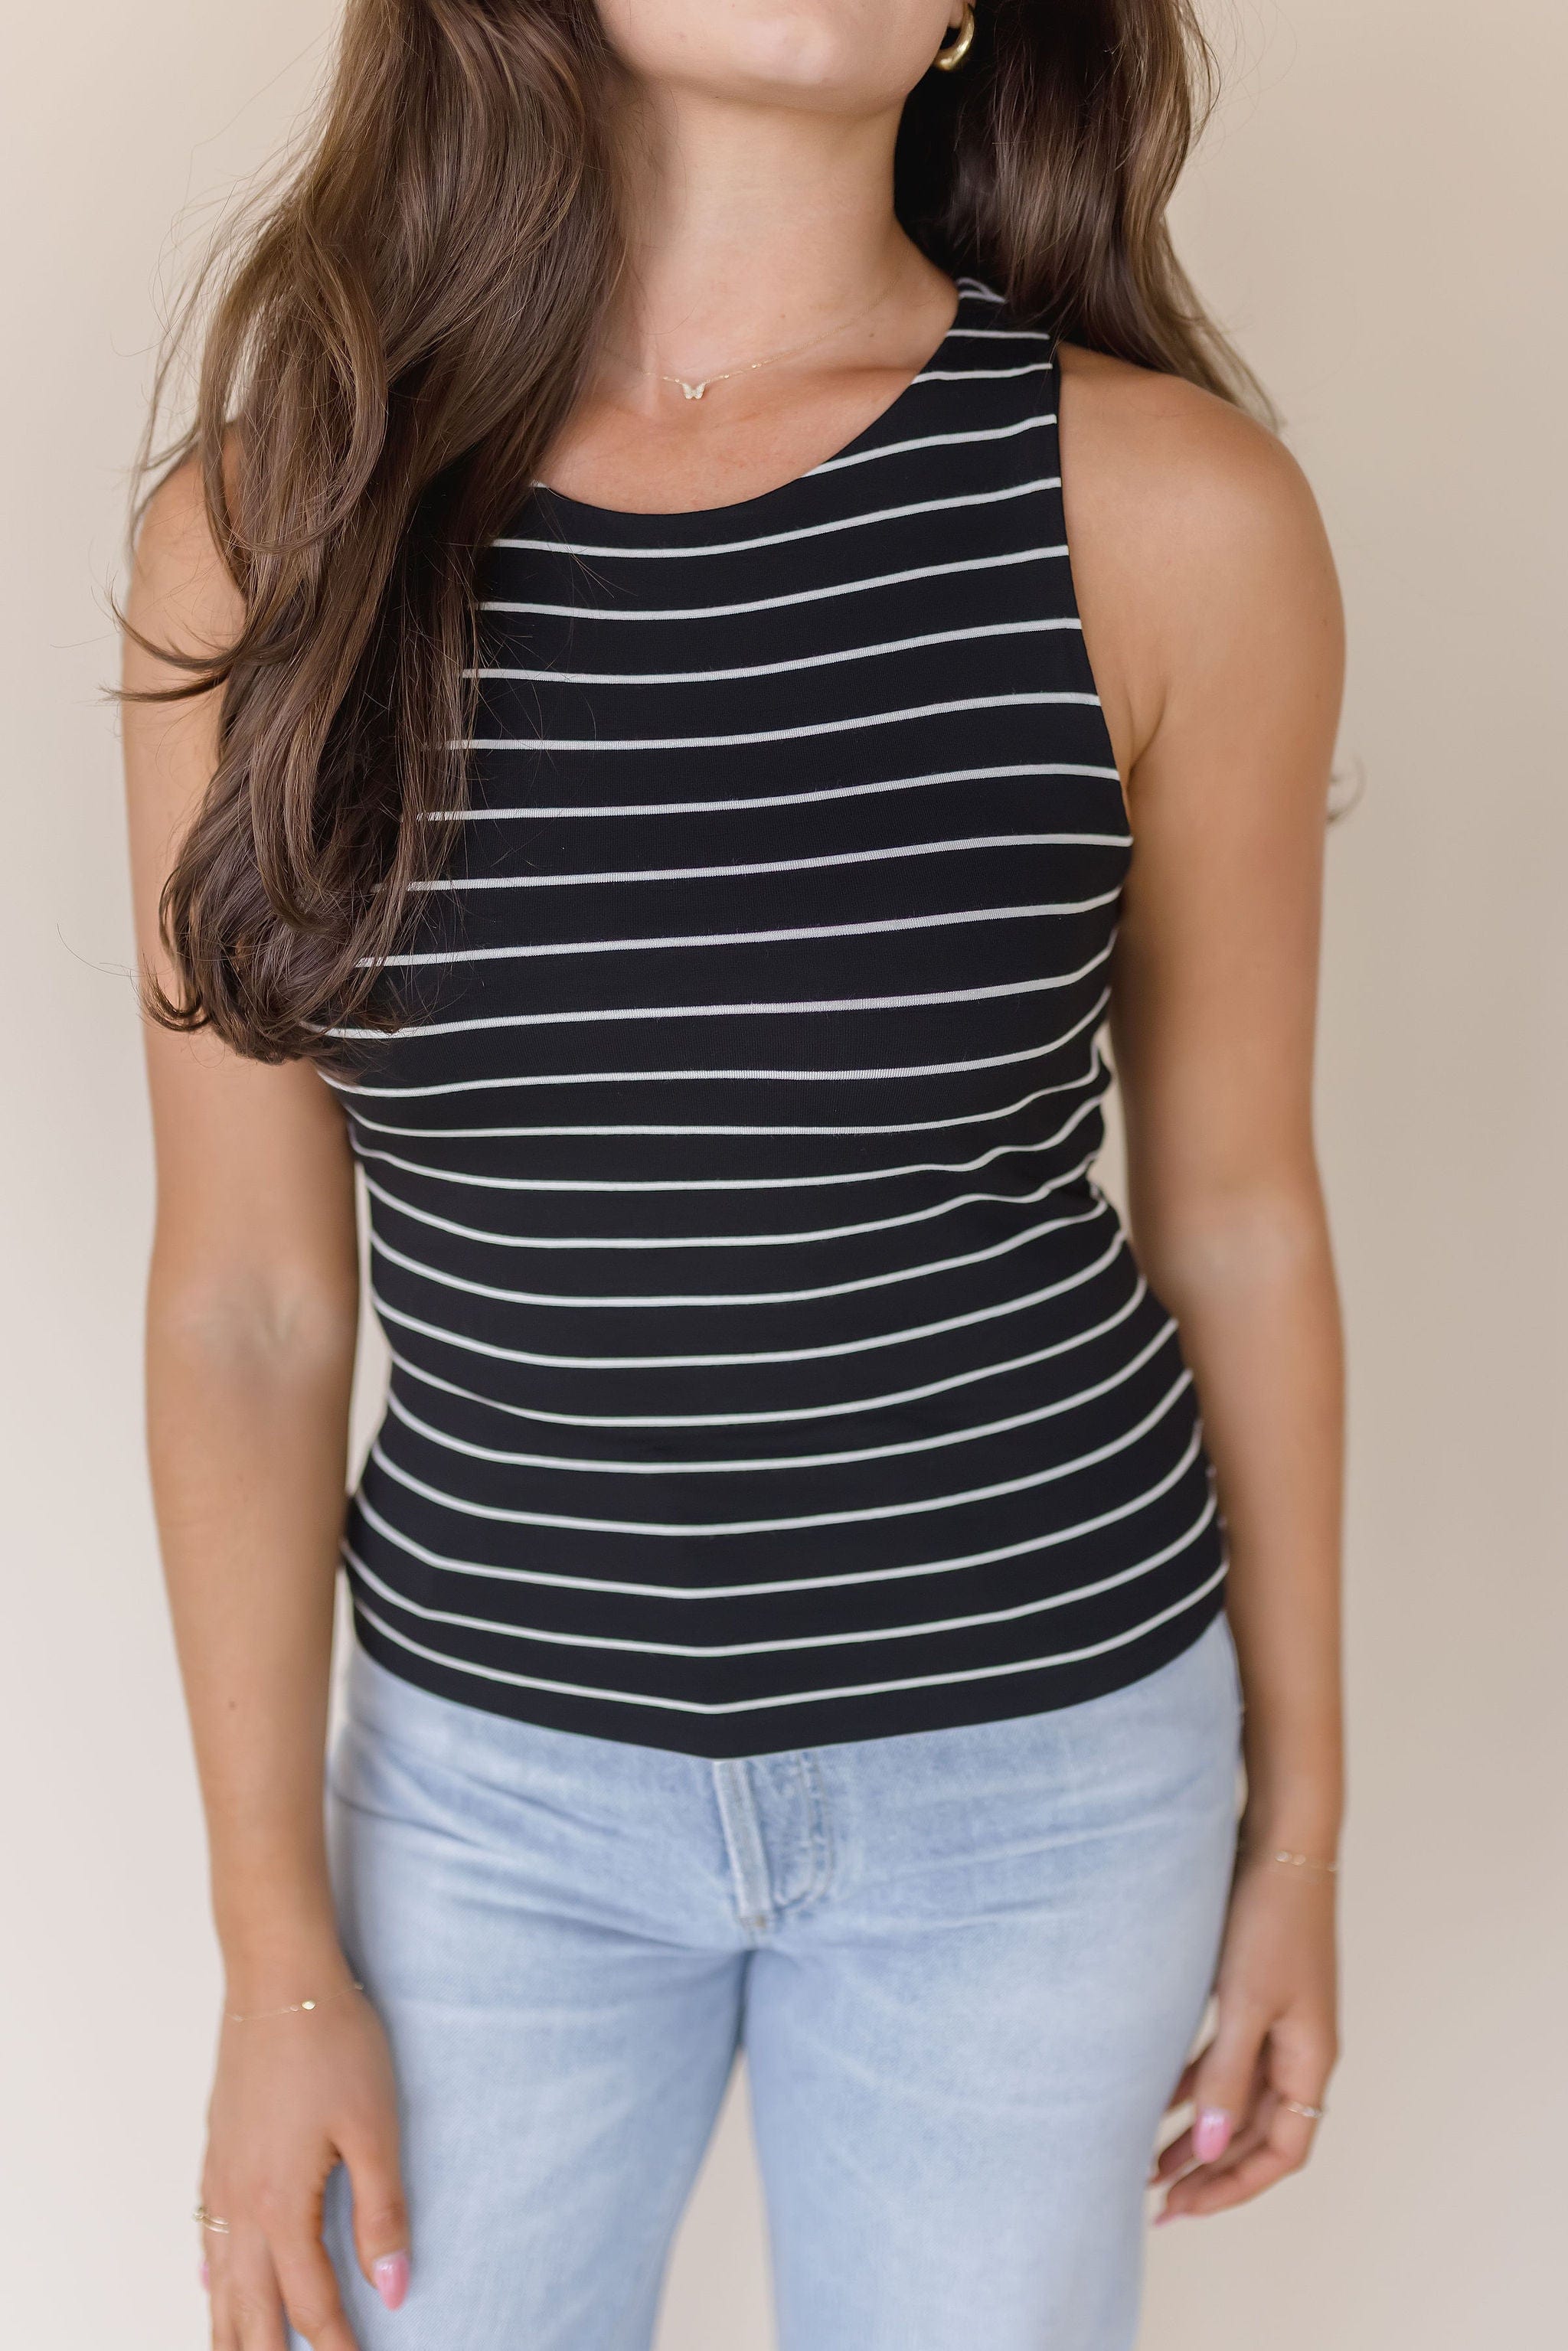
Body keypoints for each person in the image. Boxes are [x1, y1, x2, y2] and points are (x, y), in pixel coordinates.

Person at [121, 4, 1344, 2346]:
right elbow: (249, 1309)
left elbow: (1241, 1220)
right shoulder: (275, 535)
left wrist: (1298, 1840)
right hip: (487, 1797)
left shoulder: (1171, 516)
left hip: (1041, 1780)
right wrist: (275, 1960)